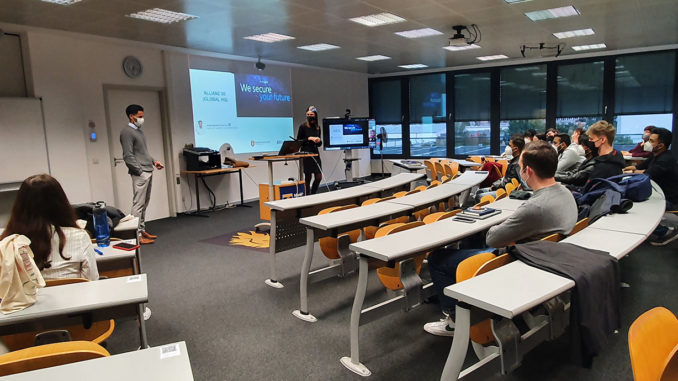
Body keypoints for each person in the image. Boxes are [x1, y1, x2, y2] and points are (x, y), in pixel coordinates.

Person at [424, 141, 577, 336]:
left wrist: (498, 225)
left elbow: (492, 239)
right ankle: (463, 290)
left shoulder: (535, 207)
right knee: (469, 242)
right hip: (548, 256)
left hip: (520, 262)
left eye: (520, 167)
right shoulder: (565, 193)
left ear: (528, 170)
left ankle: (455, 320)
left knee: (438, 257)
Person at [0, 174, 99, 281]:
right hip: (74, 296)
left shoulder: (8, 243)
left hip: (30, 298)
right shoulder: (79, 237)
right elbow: (92, 280)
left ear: (20, 206)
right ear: (61, 203)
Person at [626, 127, 678, 246]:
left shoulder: (666, 159)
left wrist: (631, 172)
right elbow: (638, 168)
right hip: (656, 192)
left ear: (661, 145)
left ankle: (666, 232)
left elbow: (647, 174)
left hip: (667, 198)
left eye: (651, 141)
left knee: (637, 206)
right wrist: (623, 169)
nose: (647, 143)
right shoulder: (655, 155)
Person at [120, 104, 164, 245]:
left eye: (142, 116)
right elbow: (128, 156)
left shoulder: (139, 131)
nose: (142, 119)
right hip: (140, 173)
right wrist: (139, 171)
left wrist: (153, 161)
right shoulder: (127, 132)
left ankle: (142, 229)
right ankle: (136, 234)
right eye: (140, 116)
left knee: (144, 203)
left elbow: (142, 152)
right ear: (131, 116)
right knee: (138, 204)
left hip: (147, 169)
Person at [475, 135, 525, 201]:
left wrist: (494, 187)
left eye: (510, 146)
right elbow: (505, 178)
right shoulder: (514, 161)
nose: (507, 147)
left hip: (505, 191)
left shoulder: (516, 164)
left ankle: (480, 209)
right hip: (502, 186)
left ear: (516, 149)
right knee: (480, 191)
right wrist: (494, 185)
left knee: (479, 196)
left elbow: (508, 182)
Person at [296, 105, 323, 195]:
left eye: (311, 114)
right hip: (306, 152)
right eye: (307, 114)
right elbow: (299, 141)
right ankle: (307, 195)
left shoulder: (318, 127)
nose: (309, 116)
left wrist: (318, 141)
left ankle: (313, 193)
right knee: (308, 177)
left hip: (315, 153)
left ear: (315, 115)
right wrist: (309, 138)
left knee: (319, 177)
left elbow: (319, 144)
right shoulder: (302, 127)